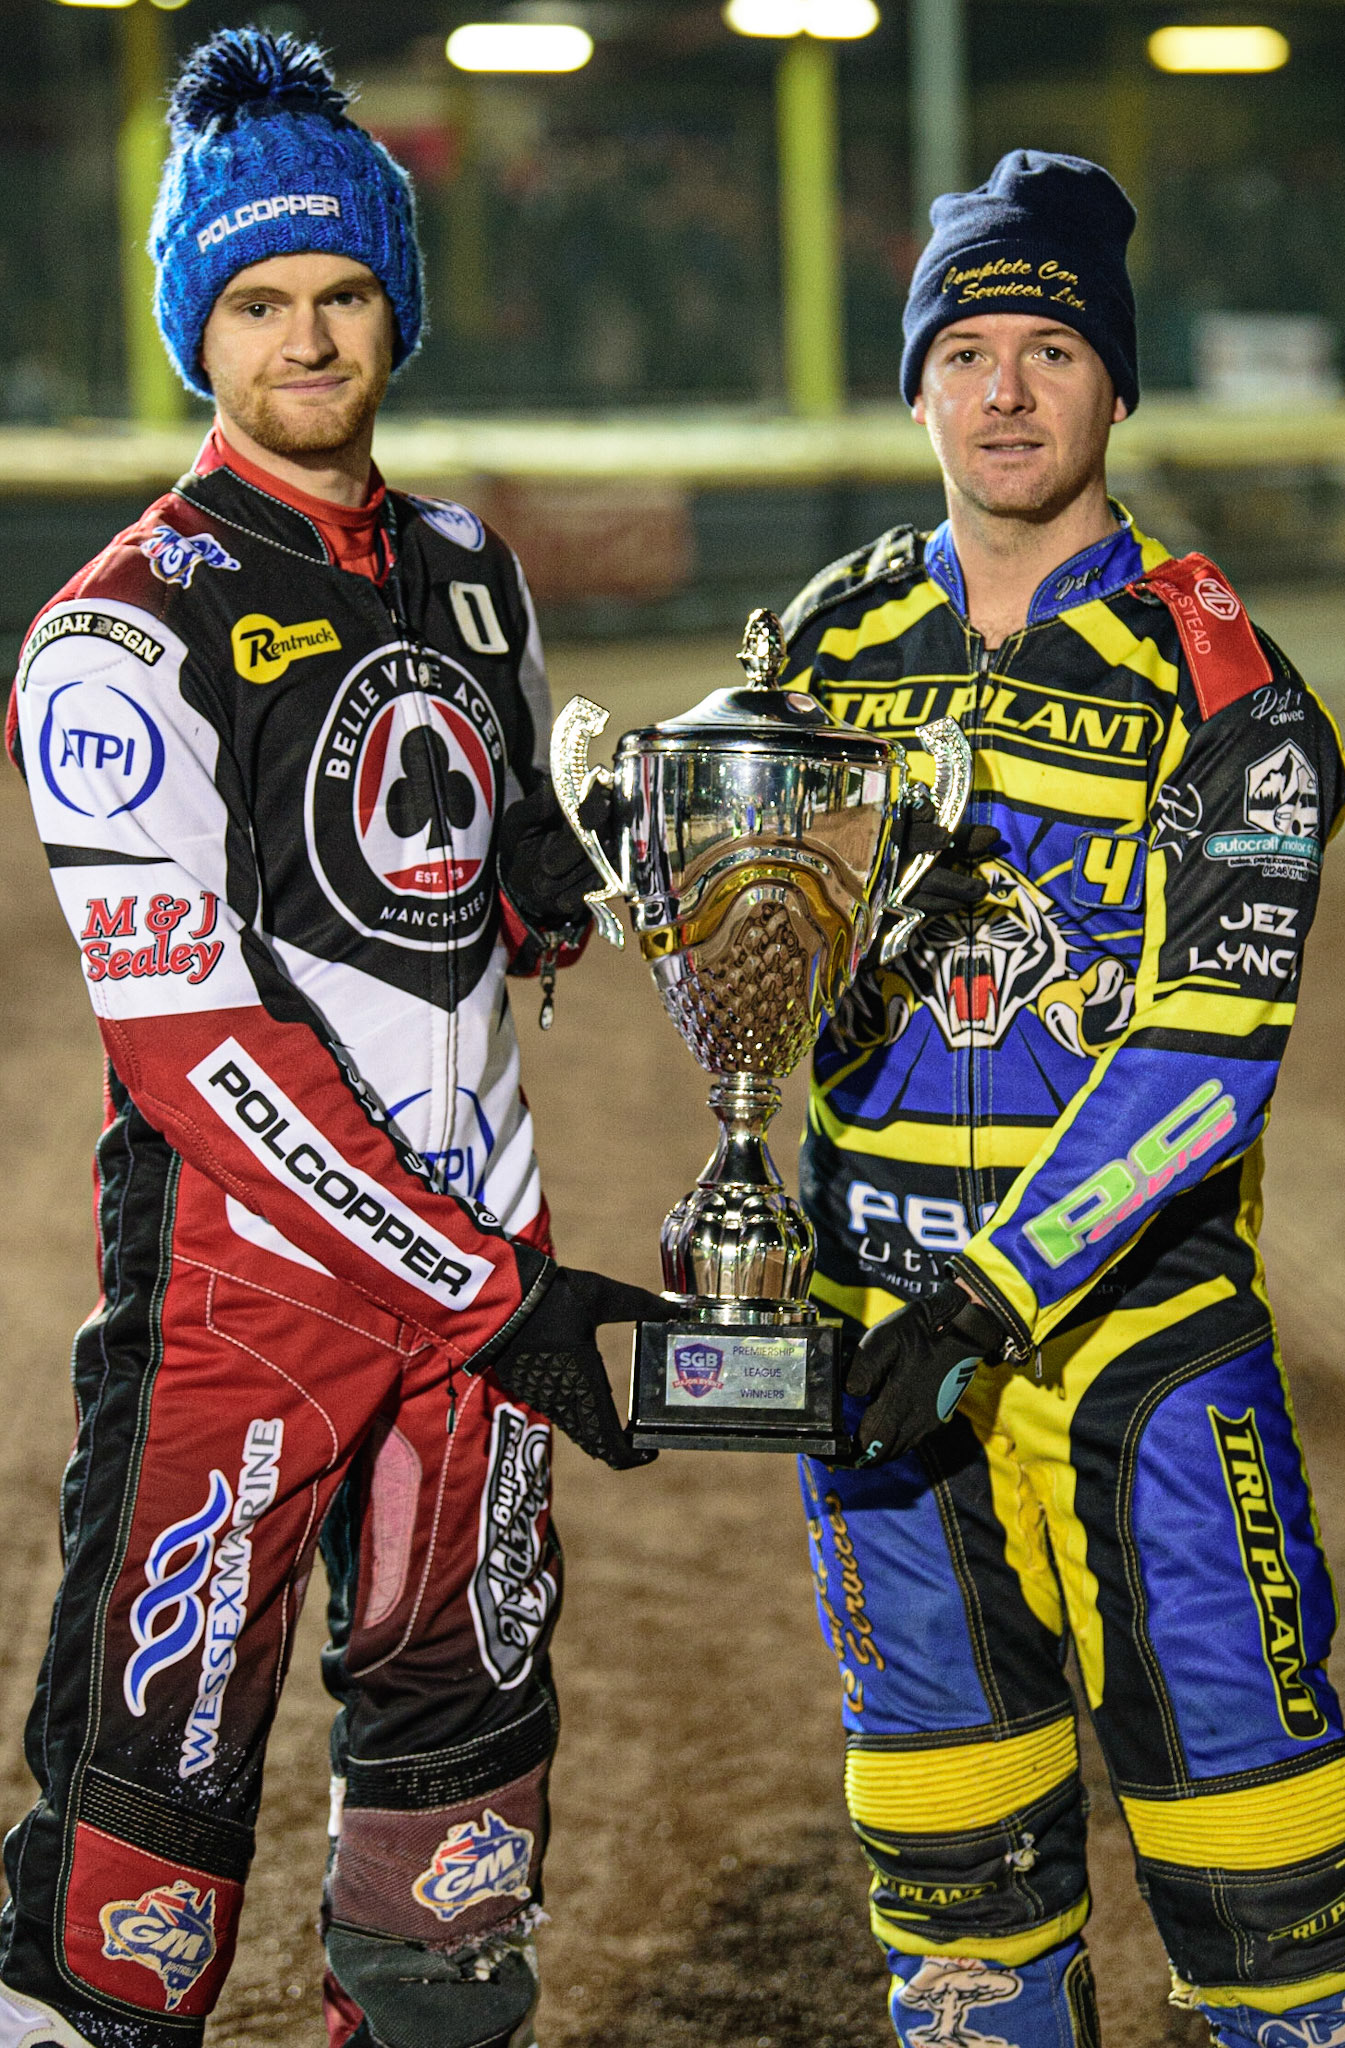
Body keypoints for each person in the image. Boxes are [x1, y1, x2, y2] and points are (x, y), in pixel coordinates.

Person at [0, 29, 665, 2048]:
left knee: (453, 1859)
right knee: (135, 1862)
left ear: (398, 308)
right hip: (249, 1311)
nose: (307, 335)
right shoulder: (121, 627)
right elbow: (194, 1046)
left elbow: (509, 896)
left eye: (344, 292)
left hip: (476, 1301)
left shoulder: (469, 573)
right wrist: (482, 1279)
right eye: (260, 300)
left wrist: (647, 856)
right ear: (202, 325)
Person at [782, 150, 1345, 2048]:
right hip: (876, 1356)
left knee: (1278, 1919)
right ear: (916, 386)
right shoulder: (817, 649)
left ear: (1117, 385)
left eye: (1049, 349)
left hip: (1141, 1366)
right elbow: (726, 949)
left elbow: (1208, 1062)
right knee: (957, 1916)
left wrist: (993, 1294)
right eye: (966, 348)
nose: (1006, 391)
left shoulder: (1235, 690)